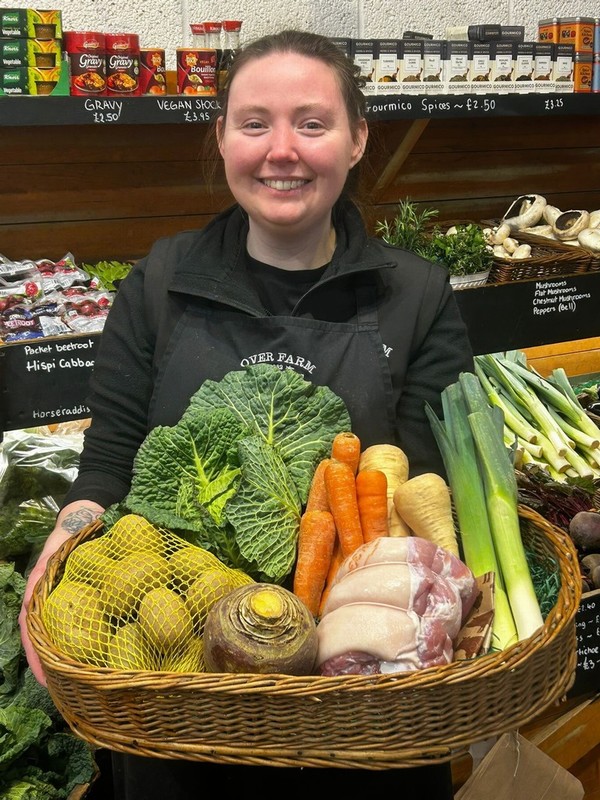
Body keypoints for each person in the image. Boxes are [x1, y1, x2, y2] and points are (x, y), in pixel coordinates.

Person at [19, 29, 474, 799]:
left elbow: (431, 494)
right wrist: (65, 545)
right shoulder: (159, 281)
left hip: (360, 694)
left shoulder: (417, 293)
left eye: (313, 122)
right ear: (222, 135)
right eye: (255, 123)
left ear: (358, 138)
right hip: (187, 690)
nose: (281, 151)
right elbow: (112, 456)